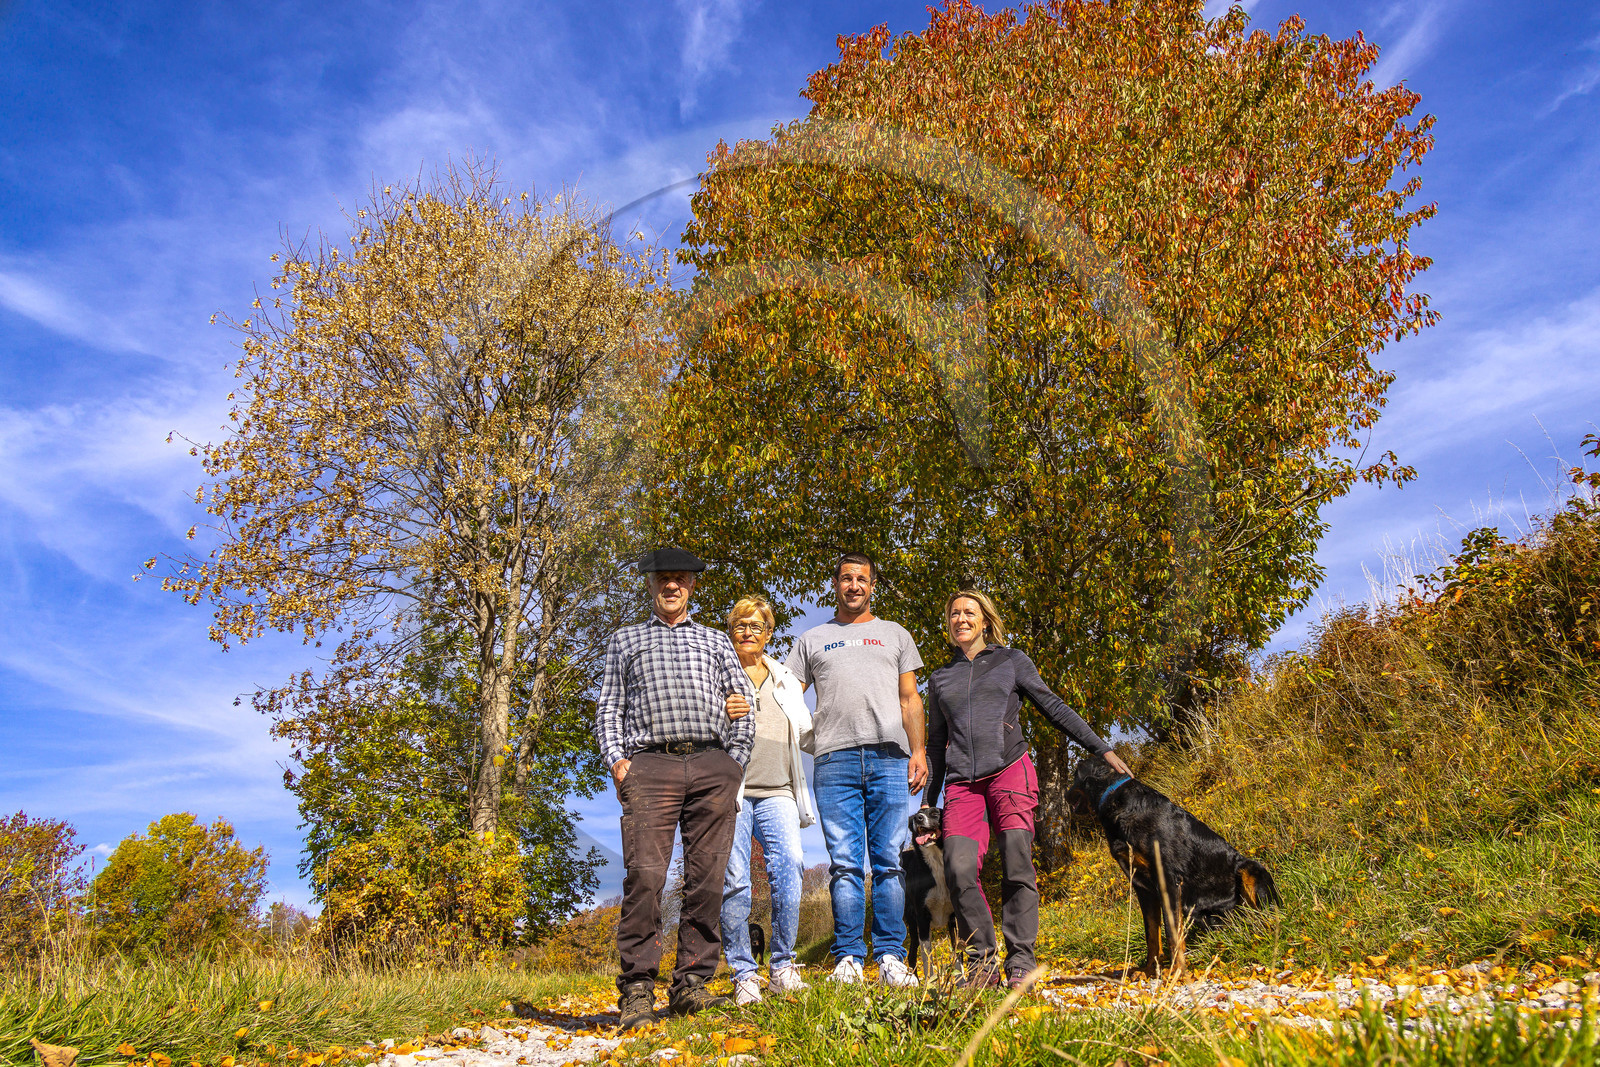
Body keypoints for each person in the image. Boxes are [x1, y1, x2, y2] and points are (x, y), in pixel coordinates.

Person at [925, 589, 1133, 988]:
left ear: (985, 620)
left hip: (1009, 773)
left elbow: (1053, 706)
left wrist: (1100, 748)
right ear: (948, 623)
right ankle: (981, 963)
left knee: (1017, 859)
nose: (961, 619)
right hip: (962, 786)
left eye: (970, 612)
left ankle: (1021, 959)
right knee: (958, 867)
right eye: (954, 614)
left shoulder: (1010, 661)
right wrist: (928, 806)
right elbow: (936, 742)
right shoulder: (940, 678)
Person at [595, 548, 757, 1029]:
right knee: (645, 876)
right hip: (650, 765)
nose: (671, 585)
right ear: (650, 584)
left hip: (712, 764)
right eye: (663, 578)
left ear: (692, 585)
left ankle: (692, 983)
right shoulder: (625, 641)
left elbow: (742, 701)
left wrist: (734, 762)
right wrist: (619, 763)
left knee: (707, 878)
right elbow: (608, 709)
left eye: (680, 579)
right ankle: (638, 988)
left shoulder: (715, 642)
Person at [786, 552, 925, 988]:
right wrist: (811, 740)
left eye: (861, 579)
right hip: (834, 761)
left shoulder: (895, 634)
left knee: (888, 862)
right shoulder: (812, 639)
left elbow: (910, 699)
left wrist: (918, 751)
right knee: (844, 864)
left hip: (889, 757)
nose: (853, 586)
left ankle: (890, 956)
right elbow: (787, 697)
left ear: (872, 585)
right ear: (836, 583)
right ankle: (848, 955)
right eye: (846, 578)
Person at [719, 595, 816, 1005]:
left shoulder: (783, 678)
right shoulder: (716, 673)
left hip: (779, 791)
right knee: (735, 881)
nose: (748, 632)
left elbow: (808, 730)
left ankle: (783, 967)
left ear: (769, 633)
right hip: (732, 792)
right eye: (740, 625)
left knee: (790, 869)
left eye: (756, 626)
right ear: (731, 630)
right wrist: (719, 709)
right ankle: (743, 971)